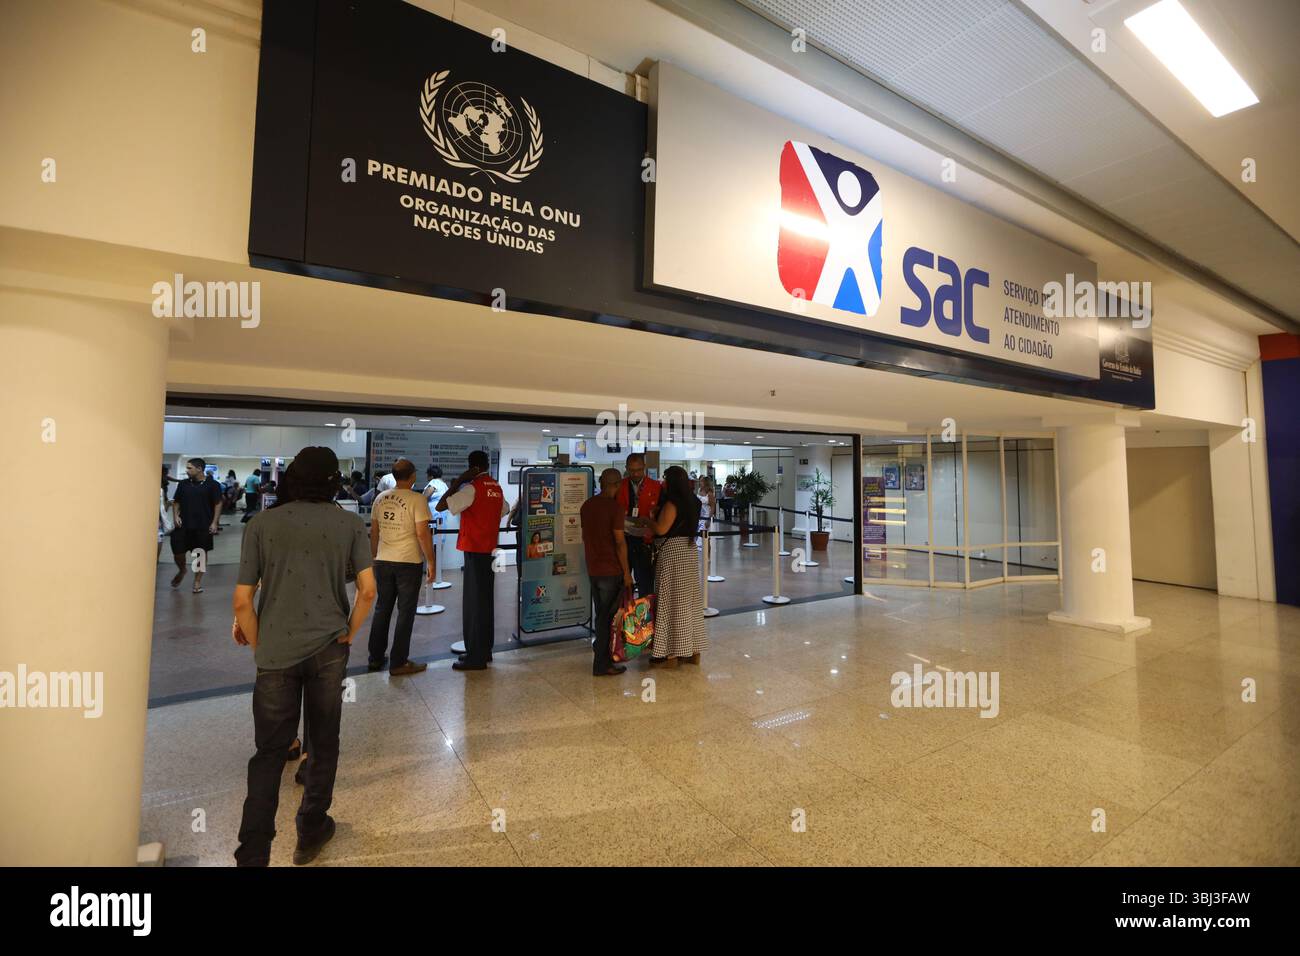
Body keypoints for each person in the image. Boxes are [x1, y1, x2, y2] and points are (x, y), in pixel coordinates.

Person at [231, 447, 377, 867]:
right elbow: (368, 591)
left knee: (269, 753)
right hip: (329, 649)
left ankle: (253, 851)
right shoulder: (348, 523)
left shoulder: (262, 523)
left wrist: (262, 645)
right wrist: (348, 631)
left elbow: (243, 600)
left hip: (276, 651)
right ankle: (311, 828)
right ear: (334, 481)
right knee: (324, 738)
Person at [436, 450, 508, 671]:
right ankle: (484, 650)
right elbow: (503, 510)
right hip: (490, 551)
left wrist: (459, 480)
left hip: (474, 551)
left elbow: (441, 506)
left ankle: (475, 657)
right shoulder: (496, 487)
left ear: (473, 467)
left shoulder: (471, 488)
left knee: (474, 604)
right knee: (485, 602)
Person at [367, 458, 435, 675]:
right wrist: (431, 561)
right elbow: (422, 534)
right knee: (405, 612)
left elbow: (375, 532)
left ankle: (375, 658)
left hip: (383, 560)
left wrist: (374, 558)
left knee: (382, 608)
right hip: (408, 562)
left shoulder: (380, 498)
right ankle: (398, 662)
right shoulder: (417, 500)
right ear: (413, 476)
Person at [645, 466, 708, 668]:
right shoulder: (694, 502)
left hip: (671, 554)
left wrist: (649, 520)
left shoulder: (672, 503)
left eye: (665, 479)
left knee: (669, 601)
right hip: (689, 552)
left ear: (671, 482)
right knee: (689, 603)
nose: (663, 483)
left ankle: (669, 653)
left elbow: (662, 528)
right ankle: (692, 651)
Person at [581, 468, 633, 676]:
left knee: (601, 615)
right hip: (611, 570)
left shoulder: (587, 506)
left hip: (594, 568)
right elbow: (620, 543)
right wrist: (627, 573)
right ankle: (602, 664)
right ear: (617, 484)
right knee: (607, 619)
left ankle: (603, 659)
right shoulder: (615, 508)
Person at [169, 457, 223, 593]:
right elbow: (176, 502)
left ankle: (197, 581)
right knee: (178, 552)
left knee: (200, 555)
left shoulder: (213, 485)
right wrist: (175, 516)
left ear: (199, 469)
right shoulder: (183, 484)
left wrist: (214, 522)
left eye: (189, 468)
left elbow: (218, 503)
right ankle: (182, 570)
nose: (186, 471)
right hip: (183, 525)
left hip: (202, 526)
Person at [616, 453, 661, 598]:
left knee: (646, 584)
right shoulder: (620, 486)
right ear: (626, 468)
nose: (635, 474)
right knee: (622, 582)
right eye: (632, 470)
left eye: (639, 470)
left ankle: (644, 618)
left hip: (645, 542)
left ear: (645, 468)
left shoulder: (656, 487)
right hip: (623, 539)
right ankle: (623, 616)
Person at [696, 476, 716, 548]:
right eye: (700, 481)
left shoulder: (710, 494)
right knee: (699, 536)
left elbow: (713, 507)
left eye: (701, 481)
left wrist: (708, 519)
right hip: (699, 517)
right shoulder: (699, 490)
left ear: (705, 483)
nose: (700, 482)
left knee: (706, 538)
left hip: (707, 516)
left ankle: (708, 557)